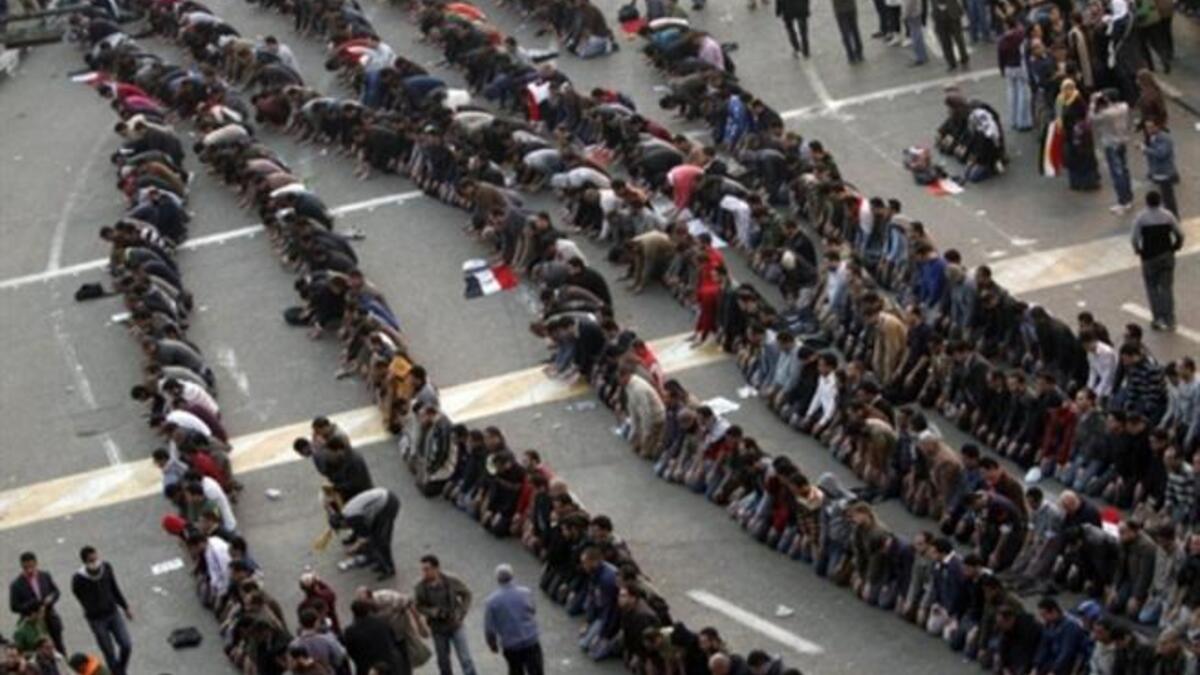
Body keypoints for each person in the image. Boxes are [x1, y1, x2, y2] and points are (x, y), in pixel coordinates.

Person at [70, 547, 132, 675]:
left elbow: (114, 587)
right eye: (91, 560)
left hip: (113, 613)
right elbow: (78, 594)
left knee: (126, 644)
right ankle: (117, 673)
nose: (95, 562)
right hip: (97, 619)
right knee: (108, 651)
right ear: (85, 562)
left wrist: (125, 606)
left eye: (95, 558)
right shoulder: (78, 578)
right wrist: (91, 606)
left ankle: (119, 670)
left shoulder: (106, 568)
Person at [1131, 190, 1184, 331]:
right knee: (1167, 288)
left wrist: (1138, 250)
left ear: (1147, 202)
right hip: (1166, 255)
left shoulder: (1141, 218)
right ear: (1160, 201)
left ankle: (1158, 318)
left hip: (1149, 257)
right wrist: (1175, 247)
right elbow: (1180, 234)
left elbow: (1134, 238)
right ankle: (1170, 320)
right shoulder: (1167, 215)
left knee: (1152, 288)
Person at [414, 555, 476, 675]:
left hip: (456, 625)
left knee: (465, 659)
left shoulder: (451, 581)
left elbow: (467, 594)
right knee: (443, 662)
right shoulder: (420, 587)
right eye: (422, 569)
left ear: (436, 568)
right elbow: (418, 606)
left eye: (427, 569)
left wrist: (462, 612)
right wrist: (432, 612)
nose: (424, 573)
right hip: (438, 629)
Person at [483, 564, 543, 675]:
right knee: (536, 670)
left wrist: (493, 645)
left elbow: (489, 629)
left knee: (515, 670)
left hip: (511, 645)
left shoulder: (491, 602)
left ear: (497, 579)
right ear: (512, 576)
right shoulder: (526, 592)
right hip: (531, 640)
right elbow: (533, 610)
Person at [9, 552, 66, 656]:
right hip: (33, 622)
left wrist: (51, 599)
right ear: (22, 566)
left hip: (49, 616)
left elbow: (56, 592)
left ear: (36, 563)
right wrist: (33, 604)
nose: (29, 570)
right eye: (26, 567)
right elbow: (14, 607)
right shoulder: (16, 585)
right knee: (41, 651)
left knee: (59, 647)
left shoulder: (44, 576)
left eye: (31, 566)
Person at [339, 487, 401, 580]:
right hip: (383, 500)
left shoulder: (352, 518)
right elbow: (364, 531)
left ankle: (389, 570)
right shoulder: (345, 512)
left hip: (388, 504)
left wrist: (353, 548)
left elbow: (364, 537)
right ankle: (380, 563)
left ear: (342, 523)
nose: (346, 529)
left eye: (343, 528)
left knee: (382, 542)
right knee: (375, 539)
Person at [1090, 91, 1133, 212]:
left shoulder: (1106, 114)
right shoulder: (1124, 107)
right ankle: (1129, 198)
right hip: (1122, 141)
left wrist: (1093, 102)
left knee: (1116, 173)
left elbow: (1092, 118)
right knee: (1124, 169)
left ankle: (1122, 201)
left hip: (1110, 144)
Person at [1139, 119, 1180, 217]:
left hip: (1164, 173)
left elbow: (1161, 154)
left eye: (1151, 127)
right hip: (1157, 173)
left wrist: (1145, 149)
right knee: (1163, 198)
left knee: (1168, 199)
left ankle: (1174, 219)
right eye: (1147, 127)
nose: (1148, 130)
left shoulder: (1164, 138)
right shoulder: (1152, 137)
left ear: (1157, 126)